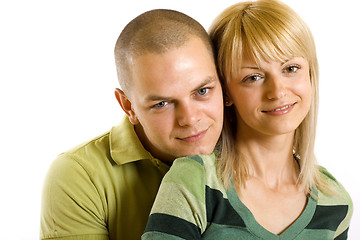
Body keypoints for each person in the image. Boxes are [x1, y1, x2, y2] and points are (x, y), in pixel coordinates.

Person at [142, 0, 353, 239]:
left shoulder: (335, 202)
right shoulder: (196, 180)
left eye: (291, 68)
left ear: (311, 75)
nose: (278, 92)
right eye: (253, 77)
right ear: (226, 92)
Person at [40, 9, 224, 240]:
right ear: (128, 106)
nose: (190, 119)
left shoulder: (257, 144)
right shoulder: (80, 175)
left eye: (202, 91)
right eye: (162, 103)